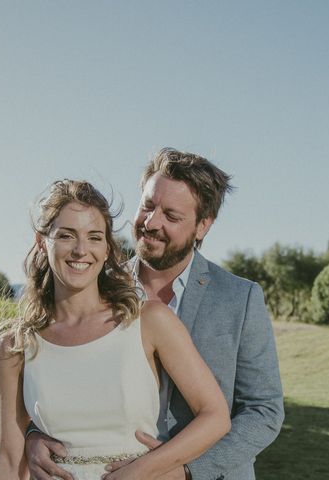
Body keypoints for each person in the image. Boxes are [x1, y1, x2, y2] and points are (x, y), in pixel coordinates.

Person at [26, 148, 284, 480]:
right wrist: (33, 434)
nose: (152, 223)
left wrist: (182, 471)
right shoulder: (89, 286)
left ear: (203, 225)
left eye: (172, 216)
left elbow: (264, 412)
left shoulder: (240, 298)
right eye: (148, 206)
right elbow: (54, 378)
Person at [0, 179, 231, 480]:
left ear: (107, 248)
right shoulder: (14, 346)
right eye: (66, 235)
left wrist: (142, 470)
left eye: (94, 237)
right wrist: (31, 438)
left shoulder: (149, 322)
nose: (81, 250)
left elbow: (216, 416)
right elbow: (10, 459)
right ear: (42, 242)